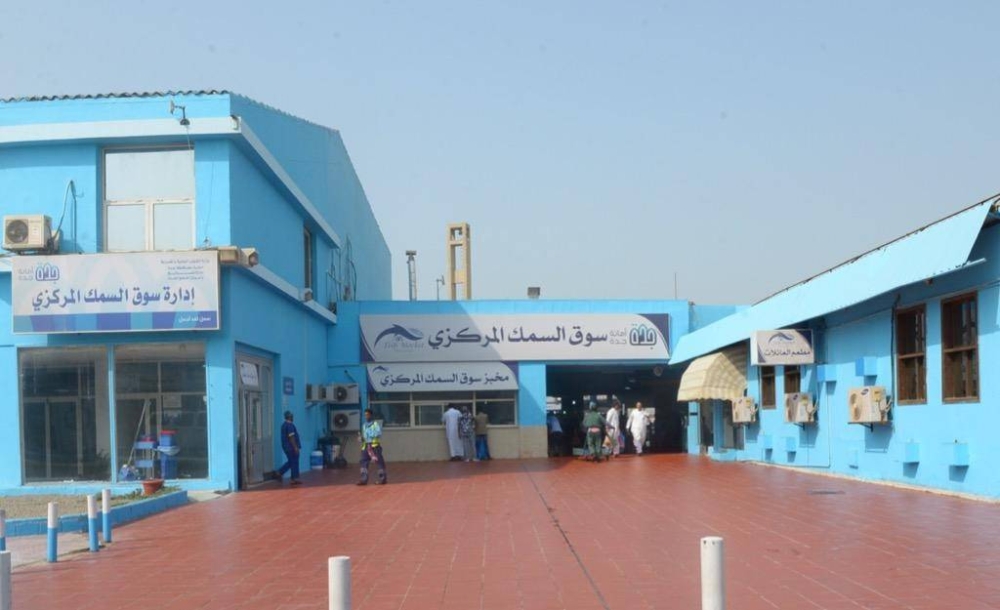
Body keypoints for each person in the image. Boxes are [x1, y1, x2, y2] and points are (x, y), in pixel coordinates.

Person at [357, 407, 387, 485]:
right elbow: (364, 436)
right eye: (365, 415)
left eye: (368, 415)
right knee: (363, 462)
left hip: (374, 446)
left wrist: (370, 435)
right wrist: (361, 438)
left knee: (379, 462)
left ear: (371, 415)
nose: (366, 416)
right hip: (366, 446)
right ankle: (363, 479)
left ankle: (382, 479)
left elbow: (378, 433)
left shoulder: (375, 424)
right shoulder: (364, 425)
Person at [272, 410, 302, 485]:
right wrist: (295, 447)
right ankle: (280, 472)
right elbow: (291, 437)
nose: (292, 417)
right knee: (293, 462)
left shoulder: (284, 425)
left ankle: (293, 478)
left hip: (287, 447)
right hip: (291, 448)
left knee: (292, 462)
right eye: (291, 416)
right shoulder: (289, 425)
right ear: (289, 417)